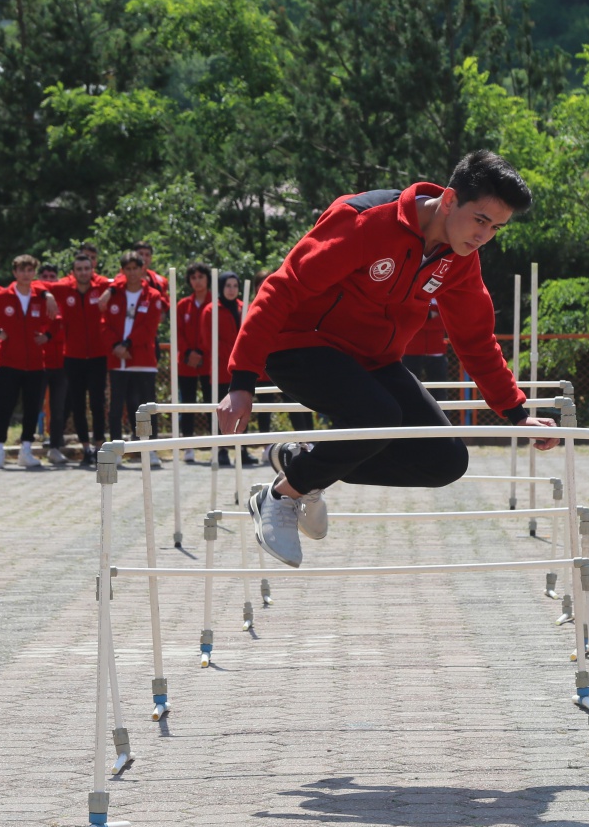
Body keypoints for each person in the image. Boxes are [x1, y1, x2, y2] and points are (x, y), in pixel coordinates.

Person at [217, 150, 558, 568]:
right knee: (379, 414)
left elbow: (475, 339)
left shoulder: (460, 260)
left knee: (445, 459)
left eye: (496, 228)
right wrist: (242, 381)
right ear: (449, 200)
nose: (483, 236)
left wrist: (517, 411)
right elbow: (281, 289)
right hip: (298, 345)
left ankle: (299, 461)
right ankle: (280, 497)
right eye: (480, 220)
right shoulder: (364, 220)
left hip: (373, 360)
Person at [0, 254, 59, 468]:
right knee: (4, 407)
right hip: (9, 362)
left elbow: (58, 320)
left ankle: (26, 450)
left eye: (30, 270)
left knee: (32, 407)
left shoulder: (41, 297)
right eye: (22, 270)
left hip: (36, 364)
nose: (25, 274)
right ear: (15, 273)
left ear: (34, 273)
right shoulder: (3, 296)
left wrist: (47, 336)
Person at [101, 251, 166, 467]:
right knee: (117, 407)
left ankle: (150, 450)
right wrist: (115, 347)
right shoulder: (113, 294)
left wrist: (126, 345)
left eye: (135, 268)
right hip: (118, 361)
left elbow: (149, 328)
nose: (132, 273)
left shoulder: (153, 296)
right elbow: (104, 324)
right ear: (123, 271)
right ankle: (116, 450)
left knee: (146, 409)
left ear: (142, 269)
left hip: (143, 360)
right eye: (127, 269)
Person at [53, 251, 110, 467]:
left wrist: (111, 289)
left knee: (97, 403)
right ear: (73, 271)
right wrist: (47, 296)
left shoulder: (102, 285)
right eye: (79, 269)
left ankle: (99, 447)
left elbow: (124, 280)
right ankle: (85, 449)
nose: (83, 273)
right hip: (73, 356)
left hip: (98, 356)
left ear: (92, 268)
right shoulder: (63, 288)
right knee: (77, 404)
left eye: (87, 268)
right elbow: (39, 286)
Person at [199, 272, 251, 467]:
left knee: (243, 407)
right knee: (220, 409)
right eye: (228, 285)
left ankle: (242, 448)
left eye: (234, 286)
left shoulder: (244, 307)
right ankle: (220, 449)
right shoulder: (210, 310)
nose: (231, 289)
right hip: (220, 367)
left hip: (241, 367)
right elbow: (207, 341)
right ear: (221, 287)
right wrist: (232, 352)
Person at [174, 262, 212, 462]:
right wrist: (189, 353)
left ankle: (216, 444)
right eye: (193, 277)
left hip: (209, 362)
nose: (197, 281)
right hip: (187, 362)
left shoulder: (215, 302)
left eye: (201, 277)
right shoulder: (182, 305)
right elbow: (178, 332)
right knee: (187, 404)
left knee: (211, 402)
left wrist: (203, 353)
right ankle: (187, 446)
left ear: (207, 279)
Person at [35, 263, 69, 465]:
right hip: (40, 362)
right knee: (35, 406)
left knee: (59, 409)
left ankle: (55, 447)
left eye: (52, 276)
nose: (48, 279)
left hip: (62, 362)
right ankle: (27, 446)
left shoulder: (63, 300)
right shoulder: (34, 299)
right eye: (45, 276)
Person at [401, 297, 451, 398]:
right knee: (409, 389)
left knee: (439, 390)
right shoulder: (413, 294)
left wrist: (422, 318)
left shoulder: (444, 297)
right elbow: (406, 318)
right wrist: (429, 316)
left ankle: (442, 413)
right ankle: (410, 414)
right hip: (412, 351)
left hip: (436, 351)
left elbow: (447, 320)